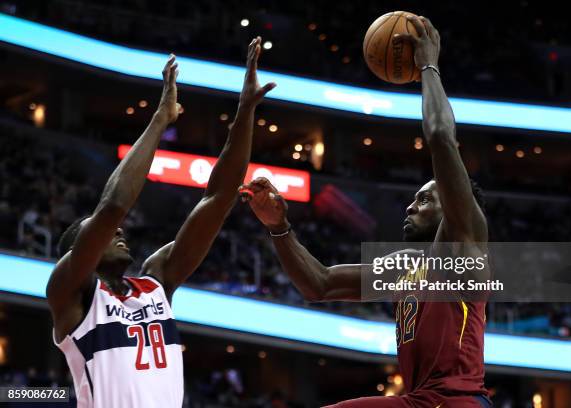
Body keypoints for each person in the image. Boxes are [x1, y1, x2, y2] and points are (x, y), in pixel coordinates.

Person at [241, 17, 492, 408]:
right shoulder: (405, 265)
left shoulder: (466, 243)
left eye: (425, 199)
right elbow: (318, 284)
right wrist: (279, 228)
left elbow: (441, 137)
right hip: (418, 400)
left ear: (455, 204)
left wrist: (428, 66)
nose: (411, 205)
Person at [46, 37, 275, 407]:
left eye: (117, 232)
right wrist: (160, 120)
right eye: (100, 234)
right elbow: (112, 209)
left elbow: (217, 199)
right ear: (79, 248)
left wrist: (245, 113)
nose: (119, 232)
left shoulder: (156, 283)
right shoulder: (69, 291)